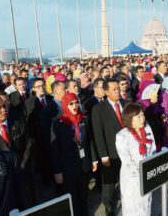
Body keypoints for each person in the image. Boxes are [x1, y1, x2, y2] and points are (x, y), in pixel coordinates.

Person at [51, 93, 92, 216]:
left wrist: (94, 160)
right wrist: (57, 171)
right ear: (65, 105)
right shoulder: (58, 123)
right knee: (72, 193)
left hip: (84, 162)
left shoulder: (84, 118)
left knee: (84, 191)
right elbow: (55, 149)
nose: (74, 106)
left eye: (76, 103)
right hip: (68, 166)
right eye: (71, 104)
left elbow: (90, 141)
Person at [92, 78, 126, 216]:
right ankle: (108, 205)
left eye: (118, 88)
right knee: (109, 182)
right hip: (110, 152)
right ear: (106, 92)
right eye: (114, 89)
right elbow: (98, 134)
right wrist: (103, 155)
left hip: (126, 150)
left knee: (125, 177)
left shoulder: (125, 103)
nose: (118, 91)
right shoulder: (98, 109)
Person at [115, 103, 156, 216]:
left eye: (143, 115)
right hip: (132, 179)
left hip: (147, 174)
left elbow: (153, 149)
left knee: (146, 204)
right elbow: (127, 161)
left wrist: (152, 168)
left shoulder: (147, 128)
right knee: (132, 206)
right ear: (129, 119)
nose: (142, 119)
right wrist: (142, 173)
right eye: (138, 117)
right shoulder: (122, 136)